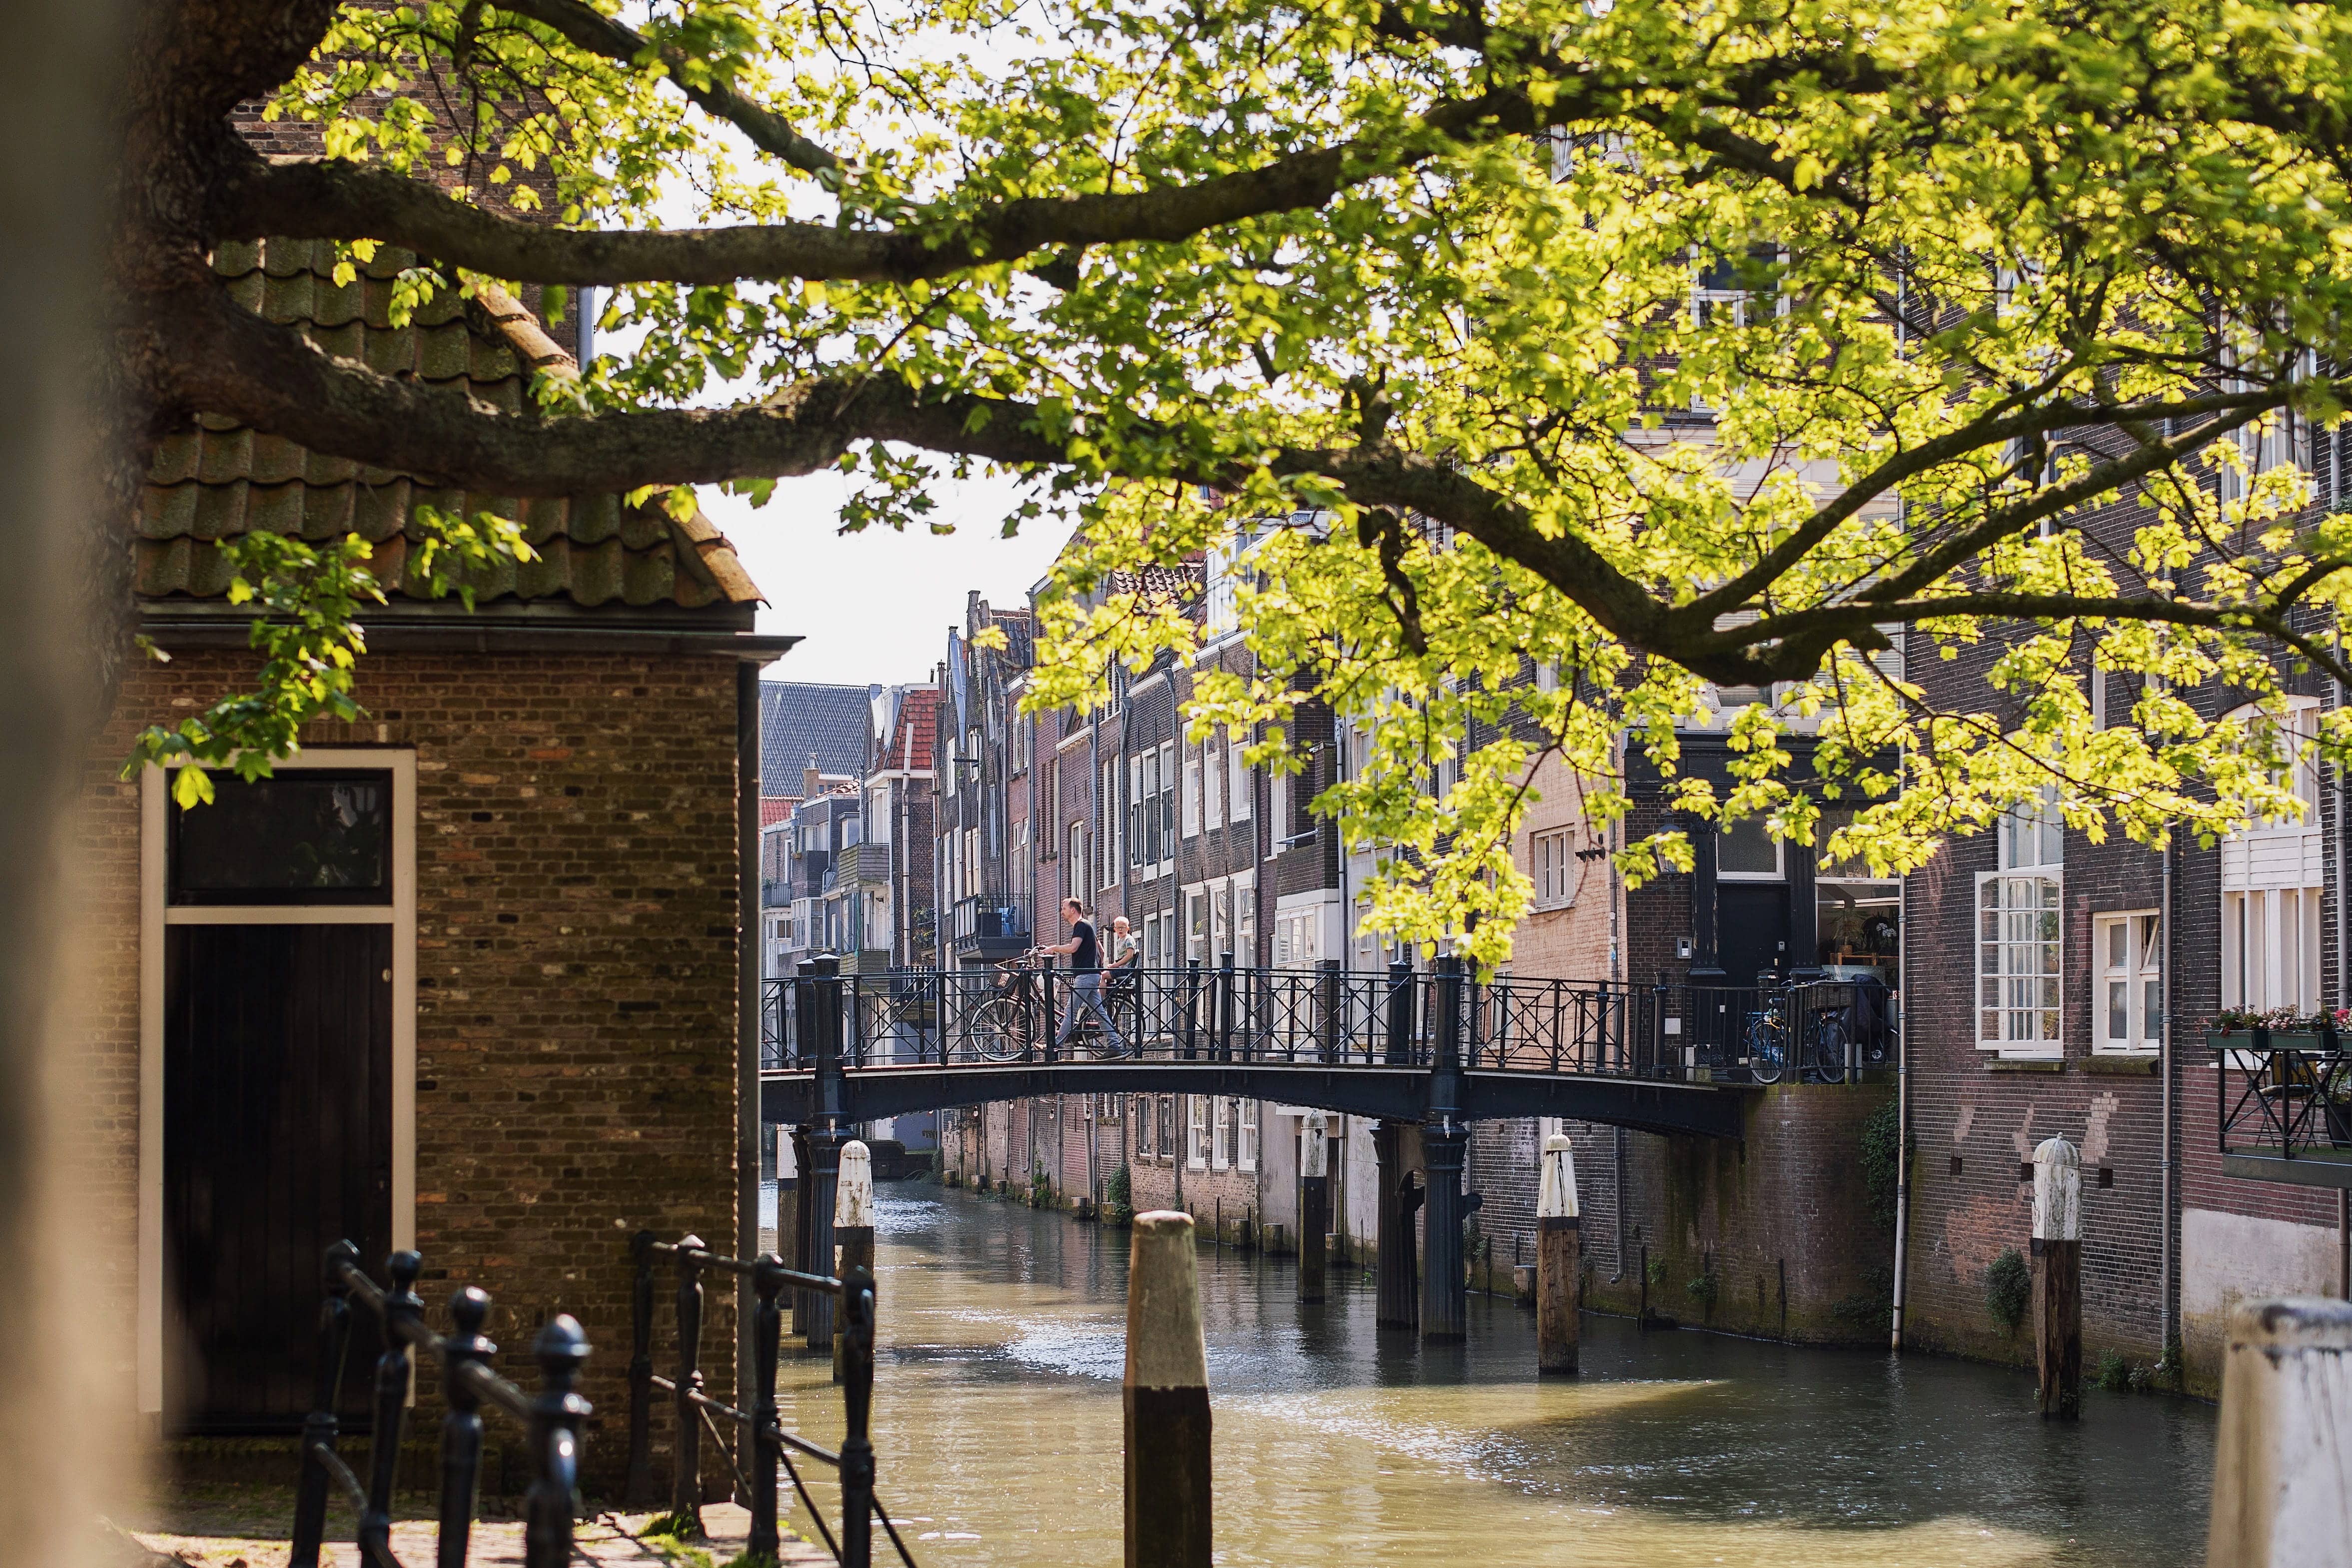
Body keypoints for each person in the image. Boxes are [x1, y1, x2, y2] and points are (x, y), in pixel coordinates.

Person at [1039, 896, 1125, 1054]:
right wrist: (1097, 970)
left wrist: (1054, 948)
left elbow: (1074, 947)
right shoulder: (1087, 926)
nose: (1062, 911)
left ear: (1073, 910)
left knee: (1071, 1010)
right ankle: (1114, 1046)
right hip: (1091, 975)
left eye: (1064, 908)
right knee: (1099, 1013)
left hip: (1085, 976)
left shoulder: (1081, 925)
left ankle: (1055, 1045)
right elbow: (1101, 951)